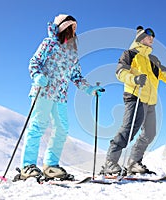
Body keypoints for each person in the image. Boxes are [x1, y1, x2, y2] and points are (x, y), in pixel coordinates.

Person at [100, 26, 166, 175]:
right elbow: (120, 72)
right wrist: (135, 79)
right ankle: (110, 163)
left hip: (150, 101)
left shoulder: (153, 60)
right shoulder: (130, 54)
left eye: (153, 37)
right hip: (135, 96)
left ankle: (133, 163)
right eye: (149, 36)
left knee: (150, 133)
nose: (152, 39)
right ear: (141, 38)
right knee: (128, 130)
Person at [20, 14, 103, 180]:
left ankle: (50, 165)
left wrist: (90, 89)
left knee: (62, 129)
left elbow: (76, 76)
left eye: (75, 28)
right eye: (70, 27)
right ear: (61, 28)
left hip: (60, 96)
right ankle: (27, 166)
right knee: (38, 126)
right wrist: (37, 75)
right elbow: (34, 62)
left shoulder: (72, 53)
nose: (73, 31)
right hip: (43, 91)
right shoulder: (48, 44)